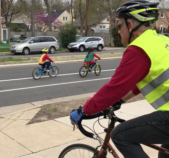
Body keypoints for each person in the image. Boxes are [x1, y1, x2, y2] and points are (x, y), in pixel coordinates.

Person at [70, 1, 169, 158]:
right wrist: (120, 101)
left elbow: (114, 88)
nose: (118, 32)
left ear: (130, 25)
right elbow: (141, 83)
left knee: (120, 135)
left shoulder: (139, 49)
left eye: (119, 26)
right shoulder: (163, 41)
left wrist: (83, 110)